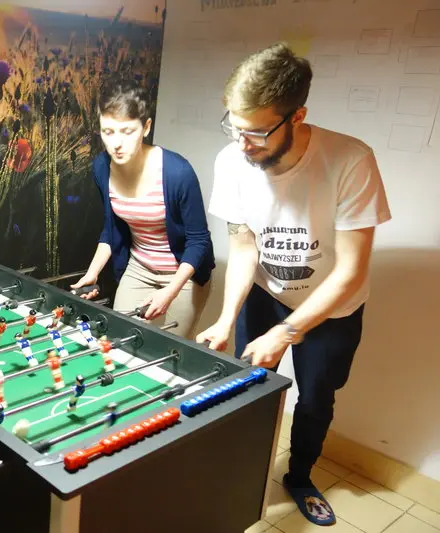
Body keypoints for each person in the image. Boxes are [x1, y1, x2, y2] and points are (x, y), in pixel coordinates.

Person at [196, 43, 391, 526]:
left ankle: (299, 477)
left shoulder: (350, 160)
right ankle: (242, 469)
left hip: (333, 307)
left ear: (297, 116)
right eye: (234, 128)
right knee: (249, 381)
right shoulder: (232, 159)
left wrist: (286, 333)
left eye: (256, 132)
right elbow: (244, 247)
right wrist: (226, 319)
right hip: (265, 293)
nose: (243, 144)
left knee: (316, 398)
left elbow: (350, 271)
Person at [71, 78, 214, 338]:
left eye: (127, 131)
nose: (116, 143)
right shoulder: (102, 167)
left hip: (181, 277)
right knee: (119, 341)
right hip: (139, 269)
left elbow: (199, 241)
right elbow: (111, 229)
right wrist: (92, 273)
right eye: (108, 131)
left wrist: (169, 292)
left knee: (166, 351)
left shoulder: (177, 172)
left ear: (146, 127)